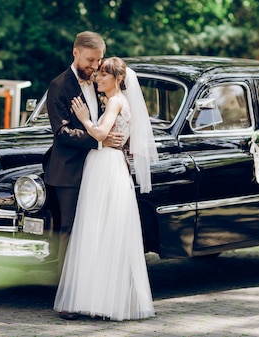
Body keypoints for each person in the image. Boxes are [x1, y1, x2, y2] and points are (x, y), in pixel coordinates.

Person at [53, 56, 158, 321]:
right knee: (105, 231)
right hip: (109, 164)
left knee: (97, 228)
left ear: (118, 79)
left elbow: (99, 134)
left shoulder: (114, 101)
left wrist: (85, 118)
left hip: (106, 167)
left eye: (103, 75)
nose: (98, 78)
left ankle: (96, 298)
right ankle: (105, 298)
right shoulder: (121, 101)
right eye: (98, 74)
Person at [42, 31, 124, 280]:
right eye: (90, 60)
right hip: (68, 172)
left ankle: (89, 289)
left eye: (99, 60)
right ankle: (66, 295)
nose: (95, 66)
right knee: (70, 230)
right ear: (75, 53)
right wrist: (100, 140)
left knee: (94, 230)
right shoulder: (58, 86)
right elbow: (63, 133)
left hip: (97, 170)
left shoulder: (99, 83)